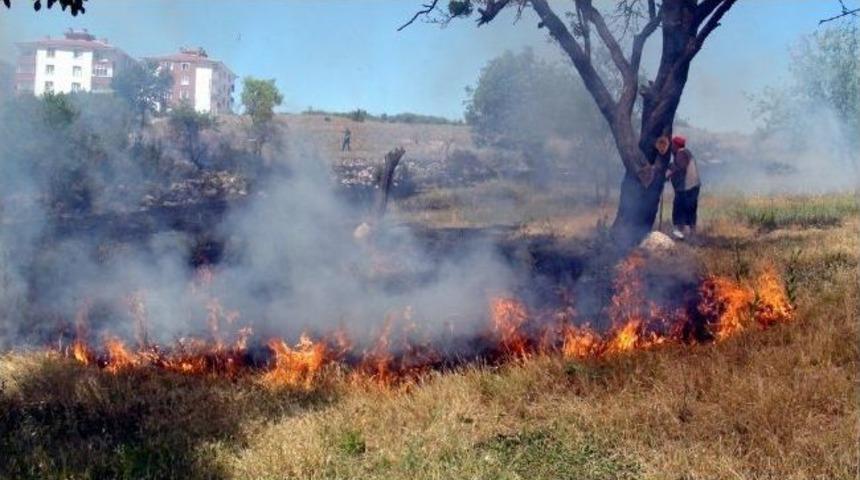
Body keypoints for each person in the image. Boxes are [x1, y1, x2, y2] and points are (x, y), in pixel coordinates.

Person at [666, 135, 700, 240]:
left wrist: (668, 174)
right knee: (690, 210)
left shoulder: (681, 153)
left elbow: (680, 167)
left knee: (679, 211)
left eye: (672, 145)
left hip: (686, 188)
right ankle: (691, 235)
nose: (671, 147)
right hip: (692, 186)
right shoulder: (686, 153)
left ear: (676, 145)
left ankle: (681, 236)